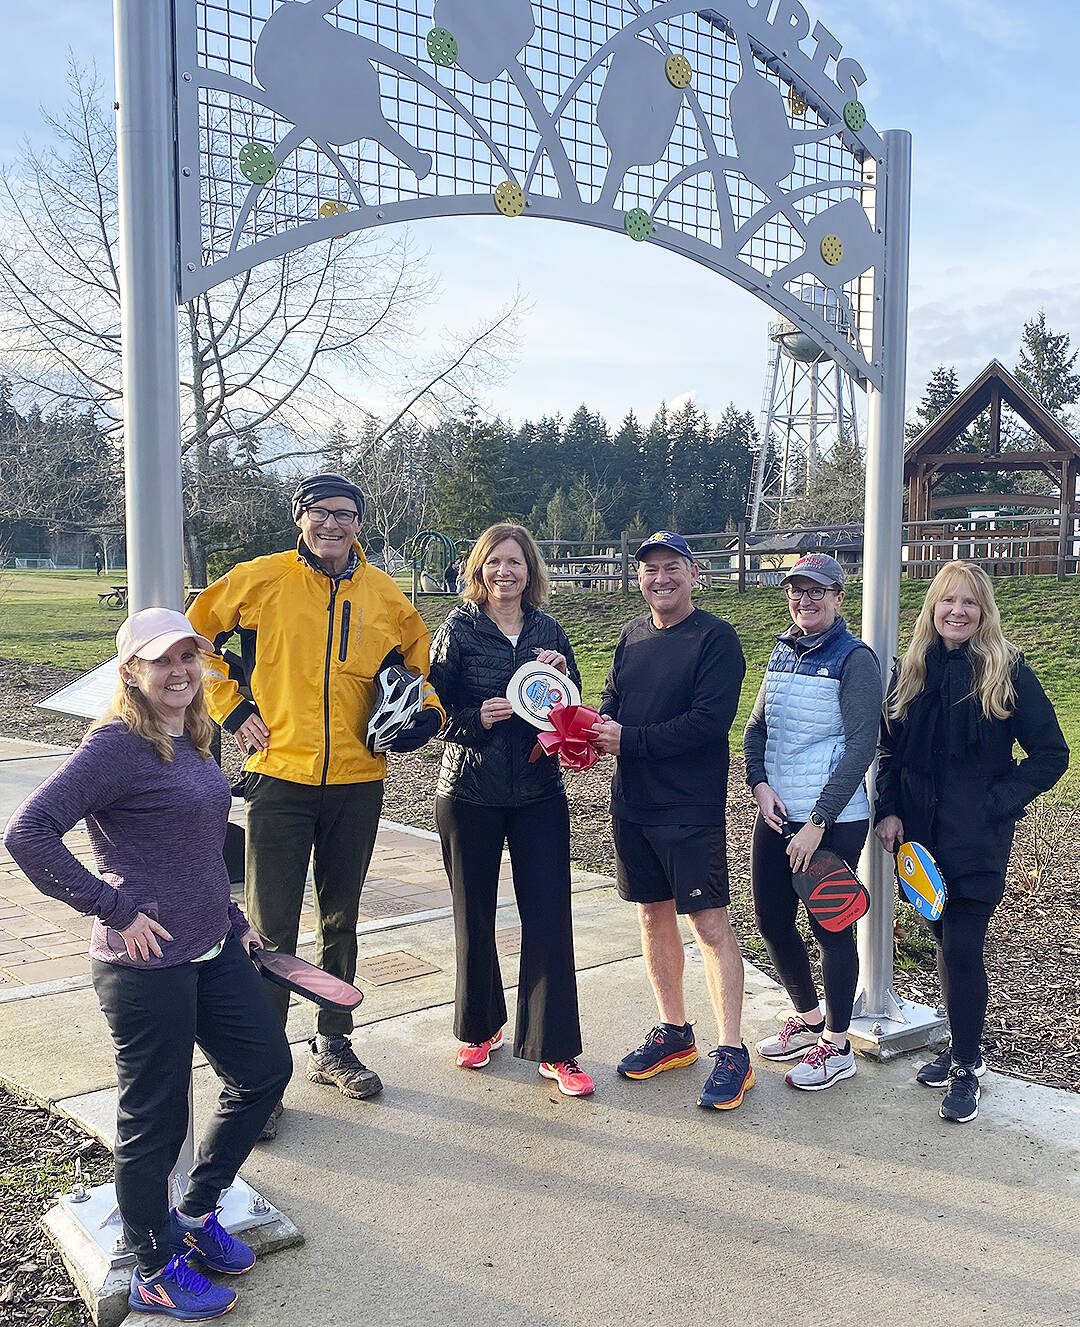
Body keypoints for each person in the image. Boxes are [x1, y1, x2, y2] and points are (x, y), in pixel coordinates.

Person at [3, 608, 292, 1321]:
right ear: (131, 670)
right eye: (162, 660)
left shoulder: (192, 734)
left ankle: (194, 1213)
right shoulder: (114, 746)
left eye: (189, 658)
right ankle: (154, 1266)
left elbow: (198, 851)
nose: (179, 672)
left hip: (213, 946)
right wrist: (113, 907)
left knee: (264, 1071)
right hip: (146, 967)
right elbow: (28, 831)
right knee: (154, 1122)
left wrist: (237, 922)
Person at [187, 474, 444, 1130]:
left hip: (359, 781)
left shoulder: (385, 594)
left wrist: (424, 716)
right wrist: (232, 704)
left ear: (361, 523)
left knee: (341, 918)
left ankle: (333, 1043)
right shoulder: (259, 577)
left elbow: (421, 673)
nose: (334, 524)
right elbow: (194, 640)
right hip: (280, 776)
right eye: (321, 513)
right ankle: (261, 1071)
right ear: (299, 517)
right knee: (272, 930)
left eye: (347, 514)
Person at [875, 561, 1068, 1123]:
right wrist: (888, 812)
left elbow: (1052, 754)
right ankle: (963, 1049)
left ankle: (965, 1062)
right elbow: (889, 751)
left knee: (961, 947)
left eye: (969, 603)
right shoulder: (910, 671)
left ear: (984, 612)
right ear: (932, 609)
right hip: (918, 840)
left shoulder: (1007, 672)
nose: (956, 612)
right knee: (941, 937)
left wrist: (995, 802)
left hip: (977, 838)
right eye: (946, 601)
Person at [429, 523, 594, 1097]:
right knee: (473, 916)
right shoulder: (457, 630)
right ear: (478, 568)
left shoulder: (550, 630)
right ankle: (480, 1028)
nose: (505, 572)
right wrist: (478, 719)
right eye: (495, 562)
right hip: (469, 792)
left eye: (516, 563)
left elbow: (570, 715)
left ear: (531, 572)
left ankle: (557, 1049)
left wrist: (561, 675)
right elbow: (432, 715)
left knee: (549, 918)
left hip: (538, 796)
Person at [592, 531, 750, 1110]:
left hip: (689, 807)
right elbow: (612, 699)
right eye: (650, 569)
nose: (661, 578)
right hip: (632, 803)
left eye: (672, 568)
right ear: (639, 578)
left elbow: (708, 722)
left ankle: (732, 1049)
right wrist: (588, 725)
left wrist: (627, 739)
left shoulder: (716, 639)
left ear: (694, 574)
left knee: (708, 924)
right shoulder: (631, 636)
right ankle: (674, 1032)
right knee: (653, 916)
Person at [743, 553, 882, 1090]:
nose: (805, 600)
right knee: (772, 919)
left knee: (832, 927)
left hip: (834, 821)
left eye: (816, 591)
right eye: (797, 591)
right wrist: (759, 786)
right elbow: (756, 730)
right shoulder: (783, 649)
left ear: (838, 597)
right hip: (778, 813)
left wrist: (819, 820)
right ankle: (807, 1019)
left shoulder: (855, 660)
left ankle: (838, 1044)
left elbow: (860, 748)